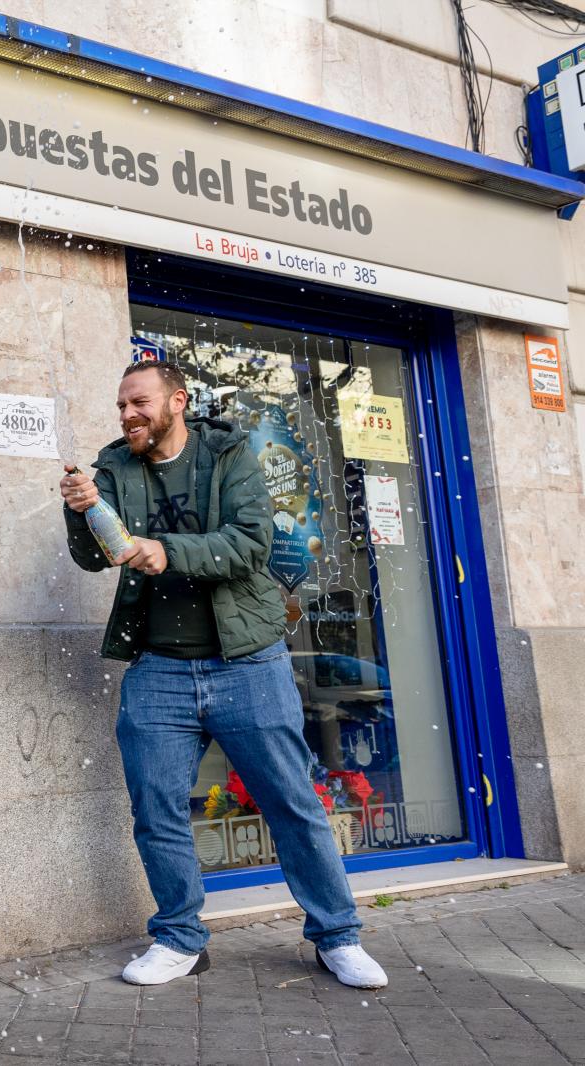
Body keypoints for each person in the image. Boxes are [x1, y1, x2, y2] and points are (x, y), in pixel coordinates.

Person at [60, 361, 387, 990]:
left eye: (140, 403)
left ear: (177, 401)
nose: (128, 415)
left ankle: (337, 936)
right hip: (158, 670)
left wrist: (166, 550)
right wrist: (82, 510)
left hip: (248, 663)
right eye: (121, 404)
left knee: (291, 802)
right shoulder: (113, 466)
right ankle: (180, 938)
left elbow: (250, 544)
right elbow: (90, 557)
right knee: (157, 809)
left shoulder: (228, 454)